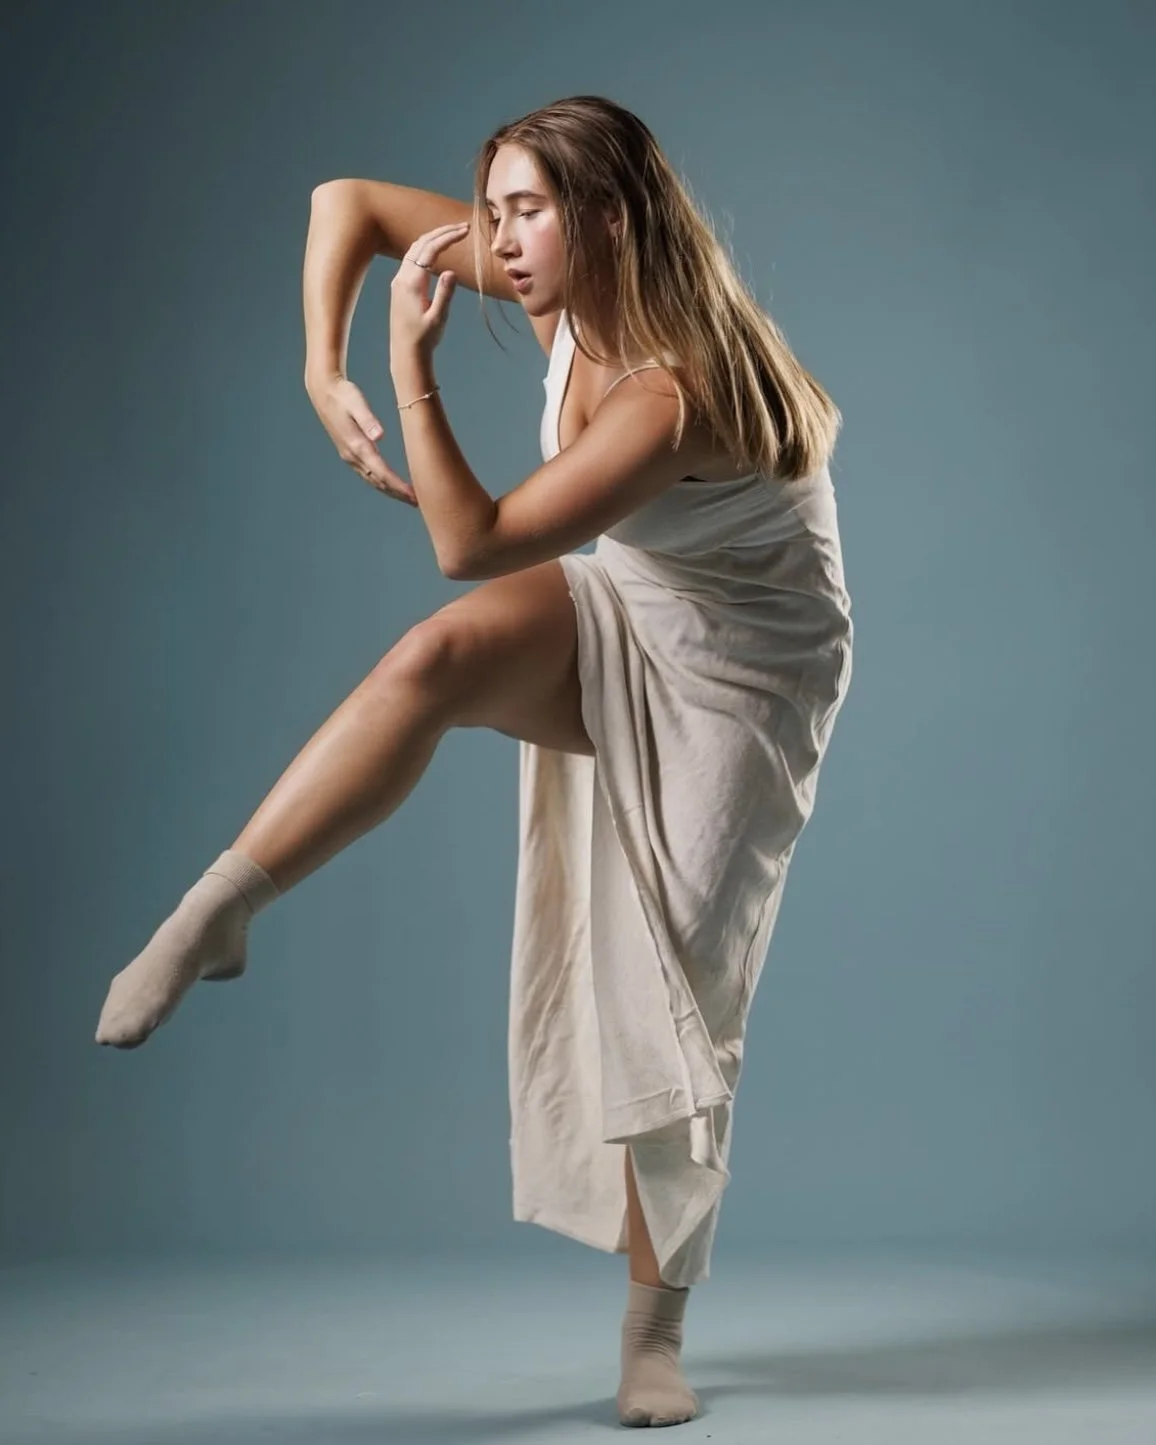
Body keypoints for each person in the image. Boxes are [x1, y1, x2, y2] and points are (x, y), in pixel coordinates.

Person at [95, 94, 854, 1429]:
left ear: (607, 220)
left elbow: (475, 538)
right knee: (432, 662)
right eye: (489, 207)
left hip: (750, 670)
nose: (494, 243)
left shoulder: (669, 393)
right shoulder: (552, 275)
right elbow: (344, 202)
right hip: (633, 598)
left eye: (527, 211)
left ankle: (653, 1334)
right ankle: (221, 909)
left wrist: (407, 371)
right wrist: (317, 365)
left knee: (667, 983)